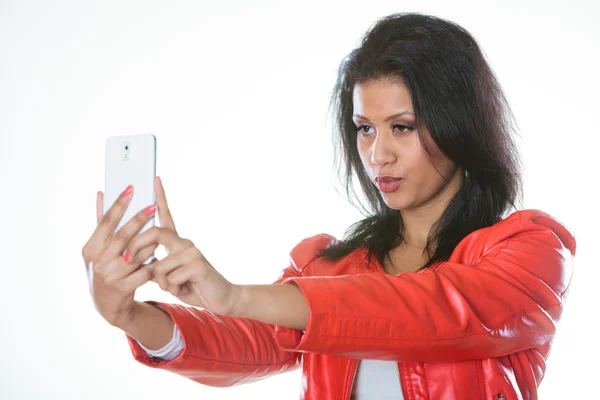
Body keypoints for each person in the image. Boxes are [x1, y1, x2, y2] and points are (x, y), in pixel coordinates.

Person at [81, 12, 576, 400]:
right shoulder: (326, 266)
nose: (377, 154)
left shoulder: (528, 253)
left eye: (401, 127)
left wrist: (233, 295)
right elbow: (248, 342)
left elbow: (433, 313)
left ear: (458, 125)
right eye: (365, 128)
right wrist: (129, 314)